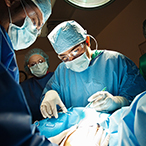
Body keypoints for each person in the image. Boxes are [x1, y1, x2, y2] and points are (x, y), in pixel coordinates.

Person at [40, 20, 146, 119]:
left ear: (87, 41)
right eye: (64, 57)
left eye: (75, 51)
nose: (71, 59)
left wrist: (118, 102)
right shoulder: (61, 71)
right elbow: (49, 102)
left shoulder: (116, 61)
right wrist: (50, 94)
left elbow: (139, 98)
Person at [0, 0, 57, 145]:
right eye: (35, 20)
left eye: (39, 28)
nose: (37, 29)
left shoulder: (5, 50)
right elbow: (11, 130)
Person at [21, 48, 54, 123]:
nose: (38, 65)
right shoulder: (24, 86)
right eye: (33, 64)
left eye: (40, 61)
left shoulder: (57, 77)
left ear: (46, 62)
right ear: (28, 67)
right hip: (39, 126)